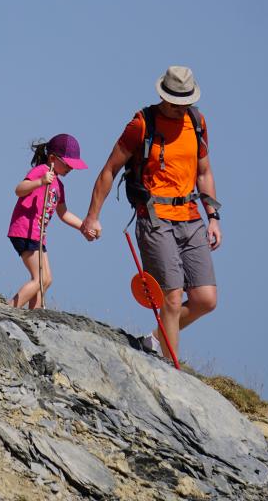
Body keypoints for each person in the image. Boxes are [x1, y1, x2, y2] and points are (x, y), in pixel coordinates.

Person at [81, 66, 221, 360]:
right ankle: (173, 369)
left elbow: (204, 172)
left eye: (184, 102)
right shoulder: (142, 124)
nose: (179, 107)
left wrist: (214, 217)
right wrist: (93, 216)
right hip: (154, 218)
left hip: (192, 217)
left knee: (205, 299)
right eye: (173, 102)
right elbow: (109, 170)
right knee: (171, 298)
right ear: (163, 95)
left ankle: (156, 339)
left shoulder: (197, 122)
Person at [8, 134, 88, 309]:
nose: (71, 168)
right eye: (68, 164)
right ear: (52, 158)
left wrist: (84, 227)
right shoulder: (41, 171)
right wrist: (40, 182)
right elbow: (19, 190)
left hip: (38, 235)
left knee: (46, 279)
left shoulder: (59, 186)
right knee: (41, 279)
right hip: (25, 230)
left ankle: (33, 317)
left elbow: (64, 213)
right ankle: (8, 309)